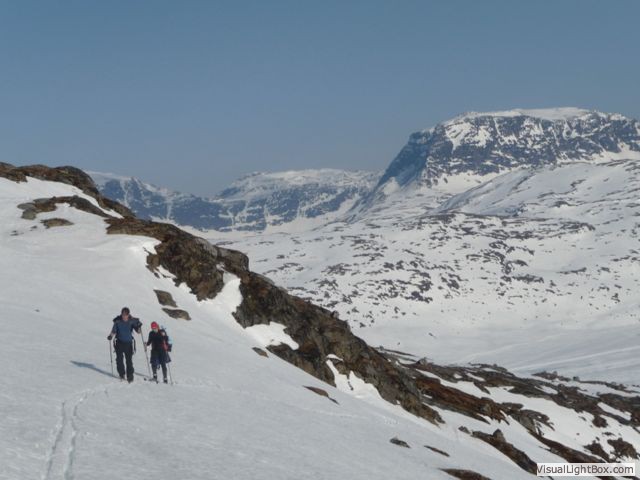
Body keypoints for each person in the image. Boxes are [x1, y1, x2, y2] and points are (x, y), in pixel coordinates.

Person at [107, 307, 142, 382]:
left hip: (128, 344)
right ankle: (122, 374)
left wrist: (139, 326)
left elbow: (139, 332)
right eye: (123, 314)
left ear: (128, 315)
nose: (124, 316)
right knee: (119, 360)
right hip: (119, 343)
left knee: (129, 361)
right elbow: (113, 331)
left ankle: (130, 376)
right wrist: (110, 336)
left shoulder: (131, 321)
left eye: (125, 315)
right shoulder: (118, 321)